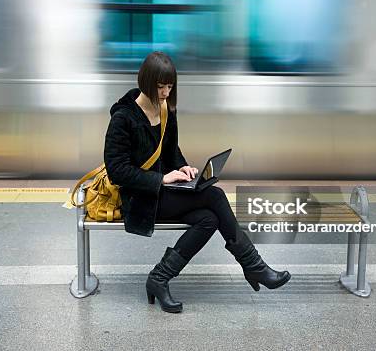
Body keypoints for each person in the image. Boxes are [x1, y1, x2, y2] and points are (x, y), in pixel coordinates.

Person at [103, 51, 291, 313]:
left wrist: (182, 166)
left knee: (209, 219)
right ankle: (254, 266)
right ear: (146, 82)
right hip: (139, 199)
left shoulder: (166, 109)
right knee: (214, 196)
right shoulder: (123, 118)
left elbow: (170, 151)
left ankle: (159, 278)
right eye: (160, 86)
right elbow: (117, 171)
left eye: (170, 86)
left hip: (162, 192)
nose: (166, 92)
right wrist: (162, 178)